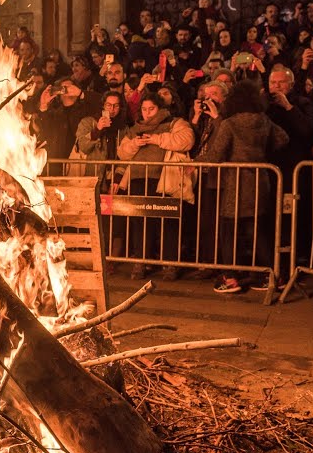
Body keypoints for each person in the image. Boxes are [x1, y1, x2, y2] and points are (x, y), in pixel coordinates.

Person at [195, 80, 289, 294]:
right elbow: (283, 139)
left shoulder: (230, 124)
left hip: (236, 183)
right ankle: (273, 275)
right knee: (258, 229)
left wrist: (195, 162)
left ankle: (230, 278)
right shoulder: (263, 120)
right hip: (260, 180)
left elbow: (216, 155)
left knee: (228, 230)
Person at [116, 93, 195, 278]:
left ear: (160, 108)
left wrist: (157, 139)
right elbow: (122, 153)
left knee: (168, 222)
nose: (147, 113)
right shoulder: (135, 128)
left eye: (151, 109)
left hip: (163, 180)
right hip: (137, 179)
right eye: (144, 109)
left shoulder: (174, 123)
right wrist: (134, 144)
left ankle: (170, 264)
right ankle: (141, 262)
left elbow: (186, 140)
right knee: (141, 223)